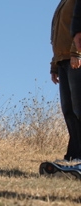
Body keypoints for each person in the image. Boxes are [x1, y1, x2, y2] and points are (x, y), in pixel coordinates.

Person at [51, 0, 81, 163]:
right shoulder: (63, 3)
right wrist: (54, 64)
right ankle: (74, 156)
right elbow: (58, 35)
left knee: (79, 109)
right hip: (63, 60)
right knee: (68, 111)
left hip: (76, 58)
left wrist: (77, 52)